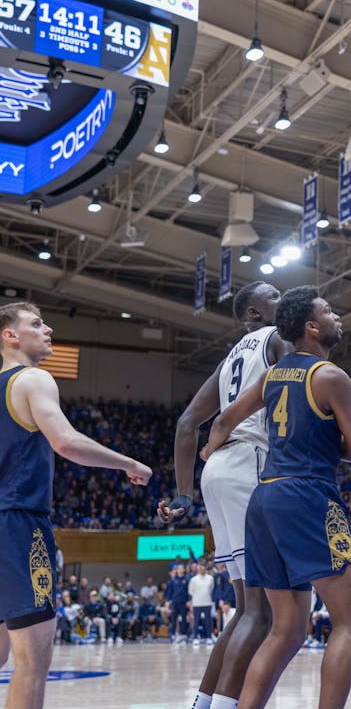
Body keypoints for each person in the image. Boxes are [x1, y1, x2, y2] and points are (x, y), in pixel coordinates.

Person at [201, 285, 351, 709]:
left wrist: (208, 453)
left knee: (287, 629)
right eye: (329, 310)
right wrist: (318, 442)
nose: (337, 315)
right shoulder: (330, 376)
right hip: (308, 494)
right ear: (312, 328)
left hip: (265, 498)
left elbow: (223, 421)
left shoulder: (273, 376)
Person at [0, 302, 151, 709]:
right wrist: (128, 463)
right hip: (17, 525)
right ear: (9, 336)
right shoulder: (33, 379)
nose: (47, 329)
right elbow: (66, 442)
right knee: (32, 663)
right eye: (35, 324)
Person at [159, 281, 286, 709]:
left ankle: (204, 701)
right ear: (254, 313)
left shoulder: (230, 358)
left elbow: (185, 424)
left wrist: (183, 494)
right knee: (263, 612)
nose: (282, 298)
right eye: (273, 295)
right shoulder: (276, 338)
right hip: (249, 460)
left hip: (216, 473)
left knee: (244, 608)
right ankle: (229, 704)